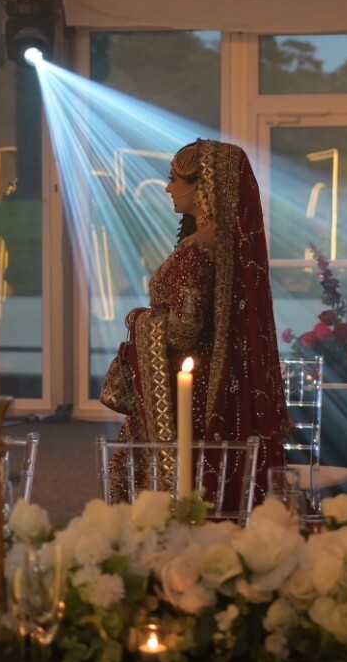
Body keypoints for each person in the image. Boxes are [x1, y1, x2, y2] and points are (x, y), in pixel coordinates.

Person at [99, 138, 290, 505]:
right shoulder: (221, 244)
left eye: (175, 179)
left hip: (186, 390)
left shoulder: (198, 251)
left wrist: (137, 318)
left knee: (177, 485)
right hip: (206, 383)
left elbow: (183, 329)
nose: (169, 188)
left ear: (203, 188)